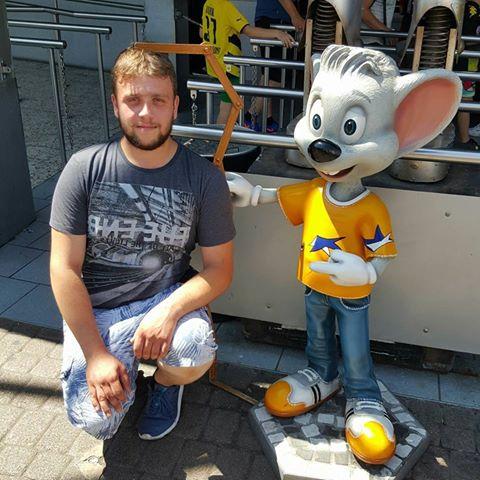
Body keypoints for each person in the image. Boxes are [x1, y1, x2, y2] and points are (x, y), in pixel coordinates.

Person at [49, 46, 235, 441]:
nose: (146, 113)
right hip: (99, 309)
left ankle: (165, 384)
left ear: (175, 106)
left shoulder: (204, 179)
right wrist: (96, 355)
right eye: (133, 100)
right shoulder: (83, 169)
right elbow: (63, 269)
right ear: (115, 105)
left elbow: (220, 269)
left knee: (194, 349)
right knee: (95, 421)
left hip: (163, 296)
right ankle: (124, 368)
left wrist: (169, 312)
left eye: (158, 100)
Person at [200, 0, 295, 125]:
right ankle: (221, 137)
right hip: (228, 67)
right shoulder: (227, 7)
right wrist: (277, 33)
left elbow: (201, 32)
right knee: (226, 109)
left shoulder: (208, 4)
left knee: (227, 106)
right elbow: (248, 31)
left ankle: (226, 134)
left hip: (213, 62)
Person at [244, 0, 306, 133]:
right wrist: (295, 16)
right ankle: (250, 116)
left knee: (268, 73)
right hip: (275, 19)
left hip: (270, 17)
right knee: (277, 78)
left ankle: (268, 119)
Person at [454, 0, 480, 149]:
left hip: (470, 62)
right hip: (466, 62)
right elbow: (466, 37)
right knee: (466, 98)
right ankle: (464, 140)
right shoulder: (471, 7)